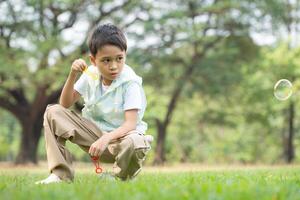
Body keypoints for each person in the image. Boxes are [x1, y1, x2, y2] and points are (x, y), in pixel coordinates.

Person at [35, 23, 152, 184]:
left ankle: (121, 177)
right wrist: (72, 74)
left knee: (136, 141)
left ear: (125, 54)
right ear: (93, 60)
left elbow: (130, 124)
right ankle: (60, 175)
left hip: (122, 141)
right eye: (106, 60)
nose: (114, 66)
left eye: (119, 58)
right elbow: (65, 103)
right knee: (53, 112)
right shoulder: (90, 74)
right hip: (94, 136)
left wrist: (106, 139)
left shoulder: (130, 83)